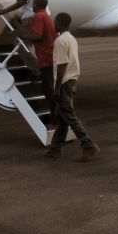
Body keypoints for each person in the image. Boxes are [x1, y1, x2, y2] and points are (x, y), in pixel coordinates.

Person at [45, 12, 100, 162]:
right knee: (64, 117)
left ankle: (88, 145)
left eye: (55, 21)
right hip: (72, 80)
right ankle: (55, 149)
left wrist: (56, 88)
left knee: (69, 115)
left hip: (65, 82)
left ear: (60, 24)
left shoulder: (60, 41)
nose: (53, 24)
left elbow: (62, 65)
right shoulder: (71, 38)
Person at [12, 0, 58, 126]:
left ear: (36, 4)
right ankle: (54, 116)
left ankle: (56, 118)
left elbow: (36, 36)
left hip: (46, 58)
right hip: (49, 57)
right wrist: (18, 27)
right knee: (49, 88)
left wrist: (17, 30)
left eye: (33, 3)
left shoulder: (38, 16)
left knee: (49, 90)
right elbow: (32, 34)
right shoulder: (44, 16)